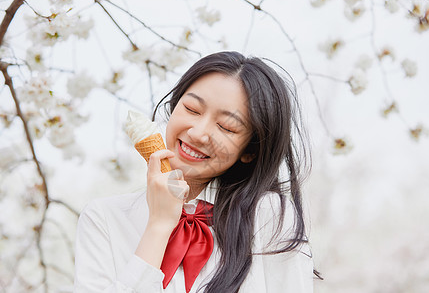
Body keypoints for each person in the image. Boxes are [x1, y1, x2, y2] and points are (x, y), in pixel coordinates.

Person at [74, 51, 315, 292]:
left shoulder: (271, 218)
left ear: (250, 150)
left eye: (227, 127)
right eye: (192, 109)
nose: (198, 133)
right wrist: (158, 226)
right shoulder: (104, 218)